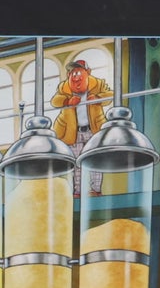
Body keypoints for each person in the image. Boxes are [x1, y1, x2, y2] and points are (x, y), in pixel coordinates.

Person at [49, 58, 116, 198]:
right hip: (73, 132)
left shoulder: (97, 84)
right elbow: (55, 101)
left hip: (93, 130)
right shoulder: (64, 87)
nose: (76, 76)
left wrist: (97, 98)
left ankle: (95, 189)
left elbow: (111, 95)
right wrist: (67, 101)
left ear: (88, 72)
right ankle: (77, 191)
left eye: (79, 72)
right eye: (73, 73)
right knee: (77, 163)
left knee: (95, 159)